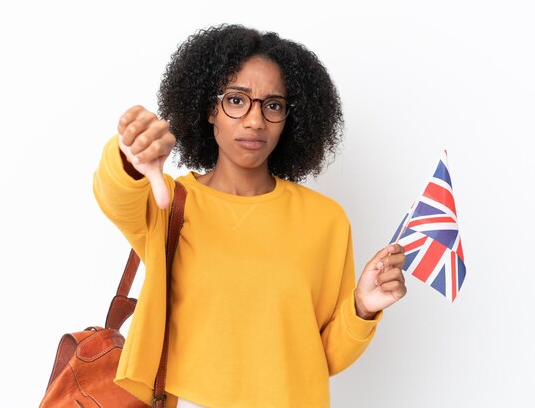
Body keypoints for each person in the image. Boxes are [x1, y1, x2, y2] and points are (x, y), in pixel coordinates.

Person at [93, 24, 407, 408]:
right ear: (210, 109)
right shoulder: (171, 203)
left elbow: (320, 357)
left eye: (272, 105)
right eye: (237, 100)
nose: (255, 121)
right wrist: (128, 155)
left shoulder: (326, 220)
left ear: (289, 117)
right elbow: (115, 196)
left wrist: (361, 306)